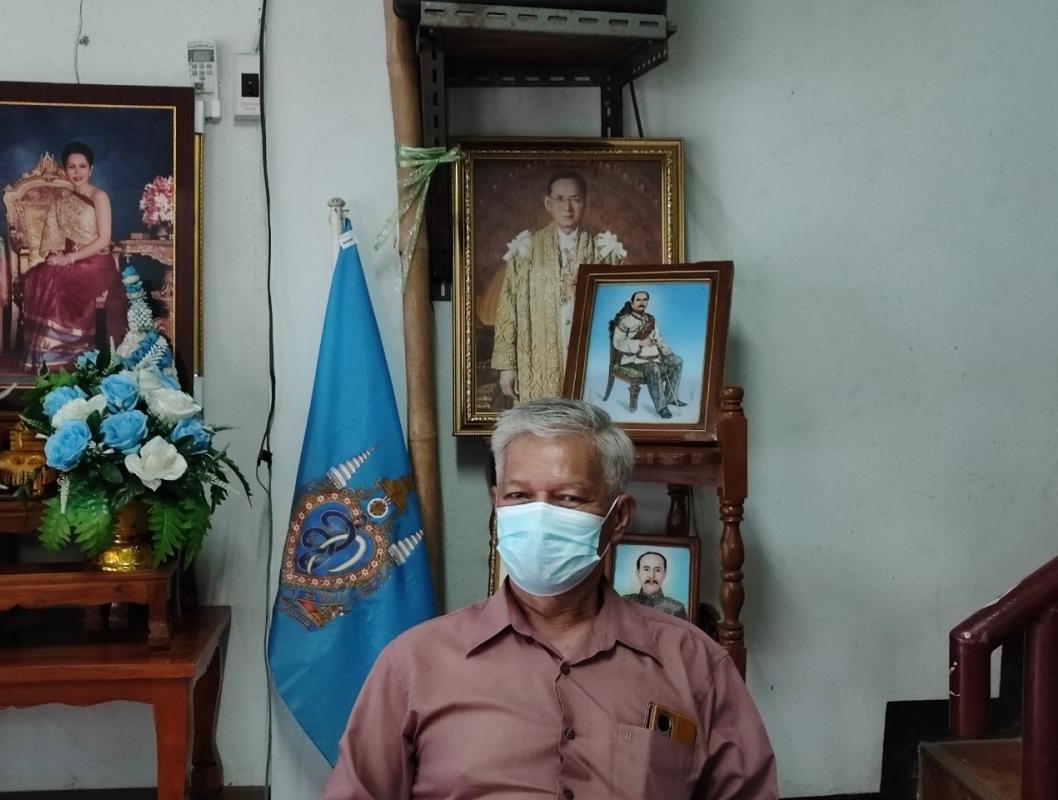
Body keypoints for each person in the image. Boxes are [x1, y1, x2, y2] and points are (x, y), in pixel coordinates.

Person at [324, 398, 777, 800]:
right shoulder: (414, 665)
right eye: (520, 496)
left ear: (619, 517)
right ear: (497, 505)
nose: (539, 516)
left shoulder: (694, 665)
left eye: (569, 498)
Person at [490, 170, 626, 405]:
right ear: (548, 203)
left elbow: (619, 313)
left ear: (584, 203)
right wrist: (507, 367)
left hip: (589, 361)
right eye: (560, 199)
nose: (567, 208)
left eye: (575, 199)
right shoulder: (526, 251)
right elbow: (507, 310)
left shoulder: (605, 252)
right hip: (538, 361)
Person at [21, 141, 127, 370]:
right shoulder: (63, 203)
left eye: (82, 166)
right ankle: (46, 355)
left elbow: (104, 239)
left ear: (91, 169)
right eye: (71, 167)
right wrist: (58, 255)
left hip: (98, 264)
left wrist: (69, 259)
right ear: (65, 169)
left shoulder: (99, 196)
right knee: (38, 276)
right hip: (74, 260)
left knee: (62, 284)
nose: (77, 172)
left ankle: (72, 354)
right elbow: (57, 241)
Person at [611, 289, 685, 418]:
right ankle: (661, 407)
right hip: (631, 359)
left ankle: (671, 397)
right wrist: (639, 343)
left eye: (644, 300)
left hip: (651, 354)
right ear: (632, 303)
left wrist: (666, 350)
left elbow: (658, 337)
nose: (642, 302)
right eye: (638, 300)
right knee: (653, 368)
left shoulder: (650, 319)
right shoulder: (624, 321)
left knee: (677, 361)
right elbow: (617, 343)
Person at [622, 550, 689, 620]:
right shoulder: (624, 603)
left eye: (657, 570)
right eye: (646, 569)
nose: (652, 576)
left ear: (664, 574)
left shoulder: (677, 609)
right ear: (638, 573)